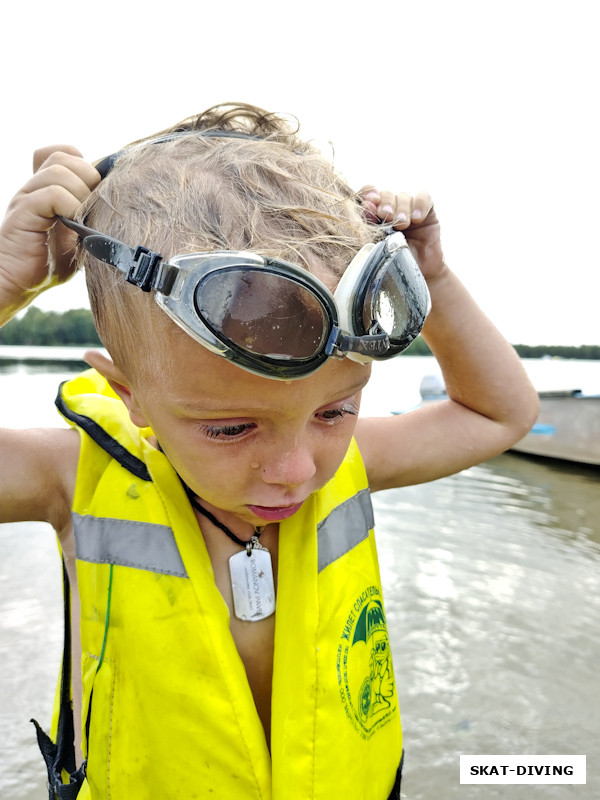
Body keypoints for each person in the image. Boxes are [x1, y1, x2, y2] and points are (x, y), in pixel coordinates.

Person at [0, 103, 538, 800]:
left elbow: (500, 413)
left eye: (335, 410)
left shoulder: (352, 461)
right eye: (229, 428)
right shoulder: (69, 479)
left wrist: (432, 275)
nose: (298, 470)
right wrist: (8, 281)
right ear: (127, 393)